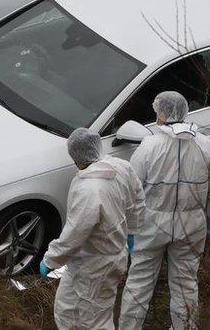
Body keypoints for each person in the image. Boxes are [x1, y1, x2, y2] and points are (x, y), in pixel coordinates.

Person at [119, 91, 210, 330]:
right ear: (185, 111)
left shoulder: (149, 146)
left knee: (139, 284)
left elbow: (131, 190)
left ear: (162, 113)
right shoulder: (205, 146)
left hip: (151, 226)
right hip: (191, 226)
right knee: (186, 284)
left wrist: (130, 227)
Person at [40, 128, 144, 330]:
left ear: (75, 157)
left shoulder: (89, 189)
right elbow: (137, 199)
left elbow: (75, 233)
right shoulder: (121, 167)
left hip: (97, 265)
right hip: (86, 260)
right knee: (66, 308)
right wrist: (132, 231)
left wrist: (51, 259)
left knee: (95, 320)